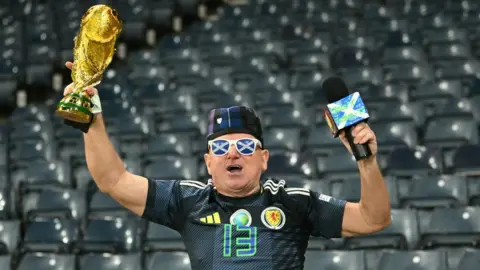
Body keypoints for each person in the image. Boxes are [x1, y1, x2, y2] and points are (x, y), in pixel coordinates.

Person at [62, 61, 391, 269]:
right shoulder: (188, 201)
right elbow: (113, 181)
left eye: (245, 146)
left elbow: (372, 219)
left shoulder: (294, 202)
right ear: (208, 162)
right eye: (221, 147)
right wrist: (93, 121)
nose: (232, 154)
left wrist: (367, 161)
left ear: (264, 159)